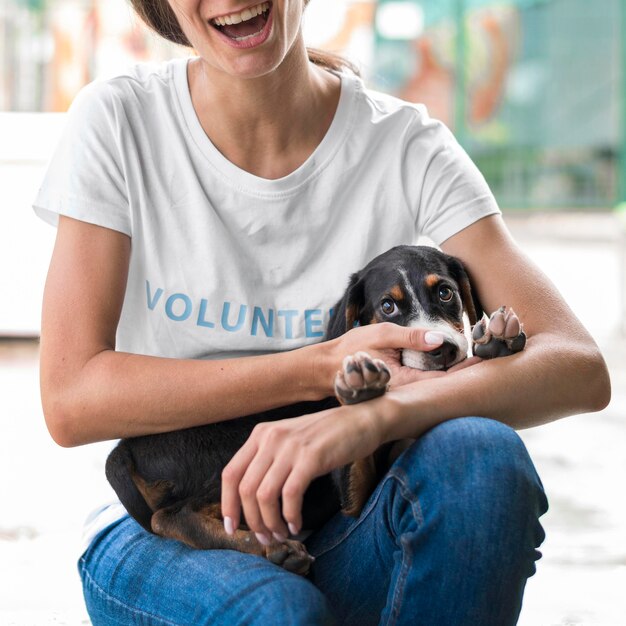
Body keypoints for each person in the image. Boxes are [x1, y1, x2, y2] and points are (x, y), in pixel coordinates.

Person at [34, 1, 610, 624]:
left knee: (481, 457)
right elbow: (71, 398)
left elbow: (576, 364)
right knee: (278, 609)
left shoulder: (405, 146)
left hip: (343, 526)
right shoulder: (121, 120)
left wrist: (370, 420)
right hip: (164, 532)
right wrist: (318, 370)